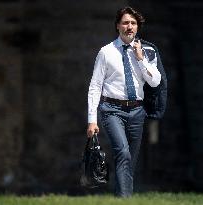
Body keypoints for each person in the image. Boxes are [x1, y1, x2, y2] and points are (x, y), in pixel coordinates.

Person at [87, 7, 162, 197]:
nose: (129, 27)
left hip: (137, 111)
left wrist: (141, 59)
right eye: (125, 23)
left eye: (133, 23)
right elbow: (95, 86)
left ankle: (124, 199)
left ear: (138, 27)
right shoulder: (106, 52)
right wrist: (92, 120)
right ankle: (124, 199)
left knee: (130, 159)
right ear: (118, 26)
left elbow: (155, 81)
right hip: (112, 109)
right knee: (123, 152)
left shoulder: (148, 50)